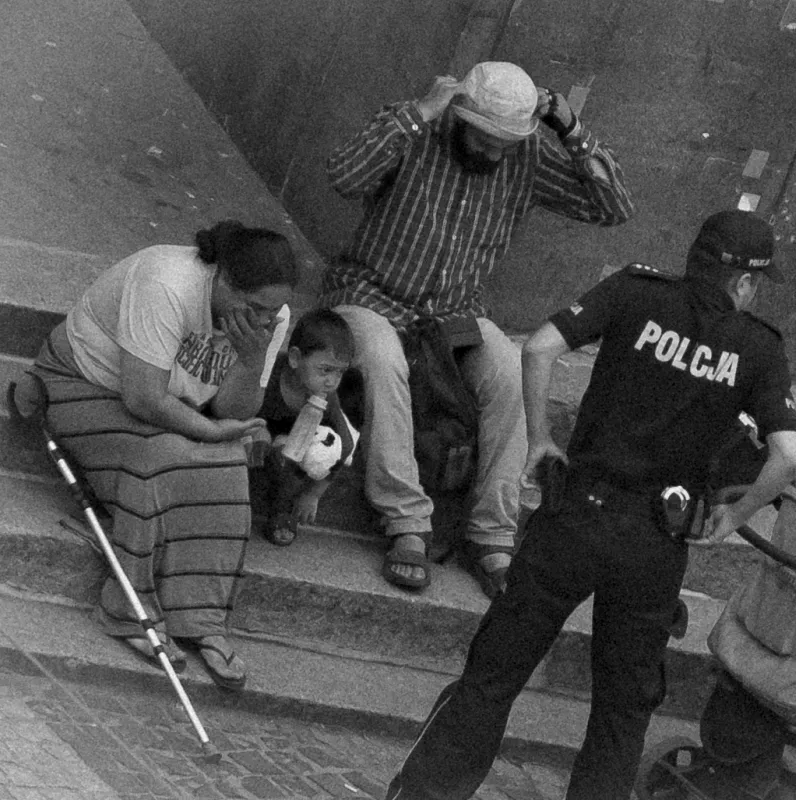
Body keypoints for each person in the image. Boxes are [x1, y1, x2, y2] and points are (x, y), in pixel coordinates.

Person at [387, 210, 796, 800]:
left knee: (494, 674)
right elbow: (788, 457)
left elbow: (538, 349)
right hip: (657, 541)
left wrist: (539, 440)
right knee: (622, 709)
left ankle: (425, 794)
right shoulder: (757, 347)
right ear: (743, 283)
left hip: (576, 513)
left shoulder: (634, 293)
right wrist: (734, 517)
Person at [322, 60, 634, 598]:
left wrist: (569, 126)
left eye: (505, 141)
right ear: (461, 114)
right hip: (371, 295)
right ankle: (406, 523)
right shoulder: (417, 128)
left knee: (511, 371)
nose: (494, 150)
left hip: (455, 311)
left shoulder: (527, 152)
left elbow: (613, 207)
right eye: (485, 136)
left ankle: (491, 534)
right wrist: (419, 112)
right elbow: (343, 176)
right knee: (381, 357)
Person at [27, 221, 297, 690]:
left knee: (229, 466)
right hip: (85, 384)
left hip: (175, 407)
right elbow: (144, 399)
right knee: (162, 456)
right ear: (225, 280)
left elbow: (235, 409)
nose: (262, 321)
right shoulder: (167, 282)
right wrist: (211, 431)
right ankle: (131, 614)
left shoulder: (271, 319)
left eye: (271, 312)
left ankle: (202, 619)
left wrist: (252, 360)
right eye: (253, 308)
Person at [252, 308, 359, 547]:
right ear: (295, 358)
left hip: (294, 448)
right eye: (325, 370)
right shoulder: (270, 374)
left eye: (340, 372)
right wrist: (259, 429)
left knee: (293, 459)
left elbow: (346, 446)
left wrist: (314, 494)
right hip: (260, 430)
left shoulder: (328, 397)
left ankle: (281, 511)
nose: (332, 381)